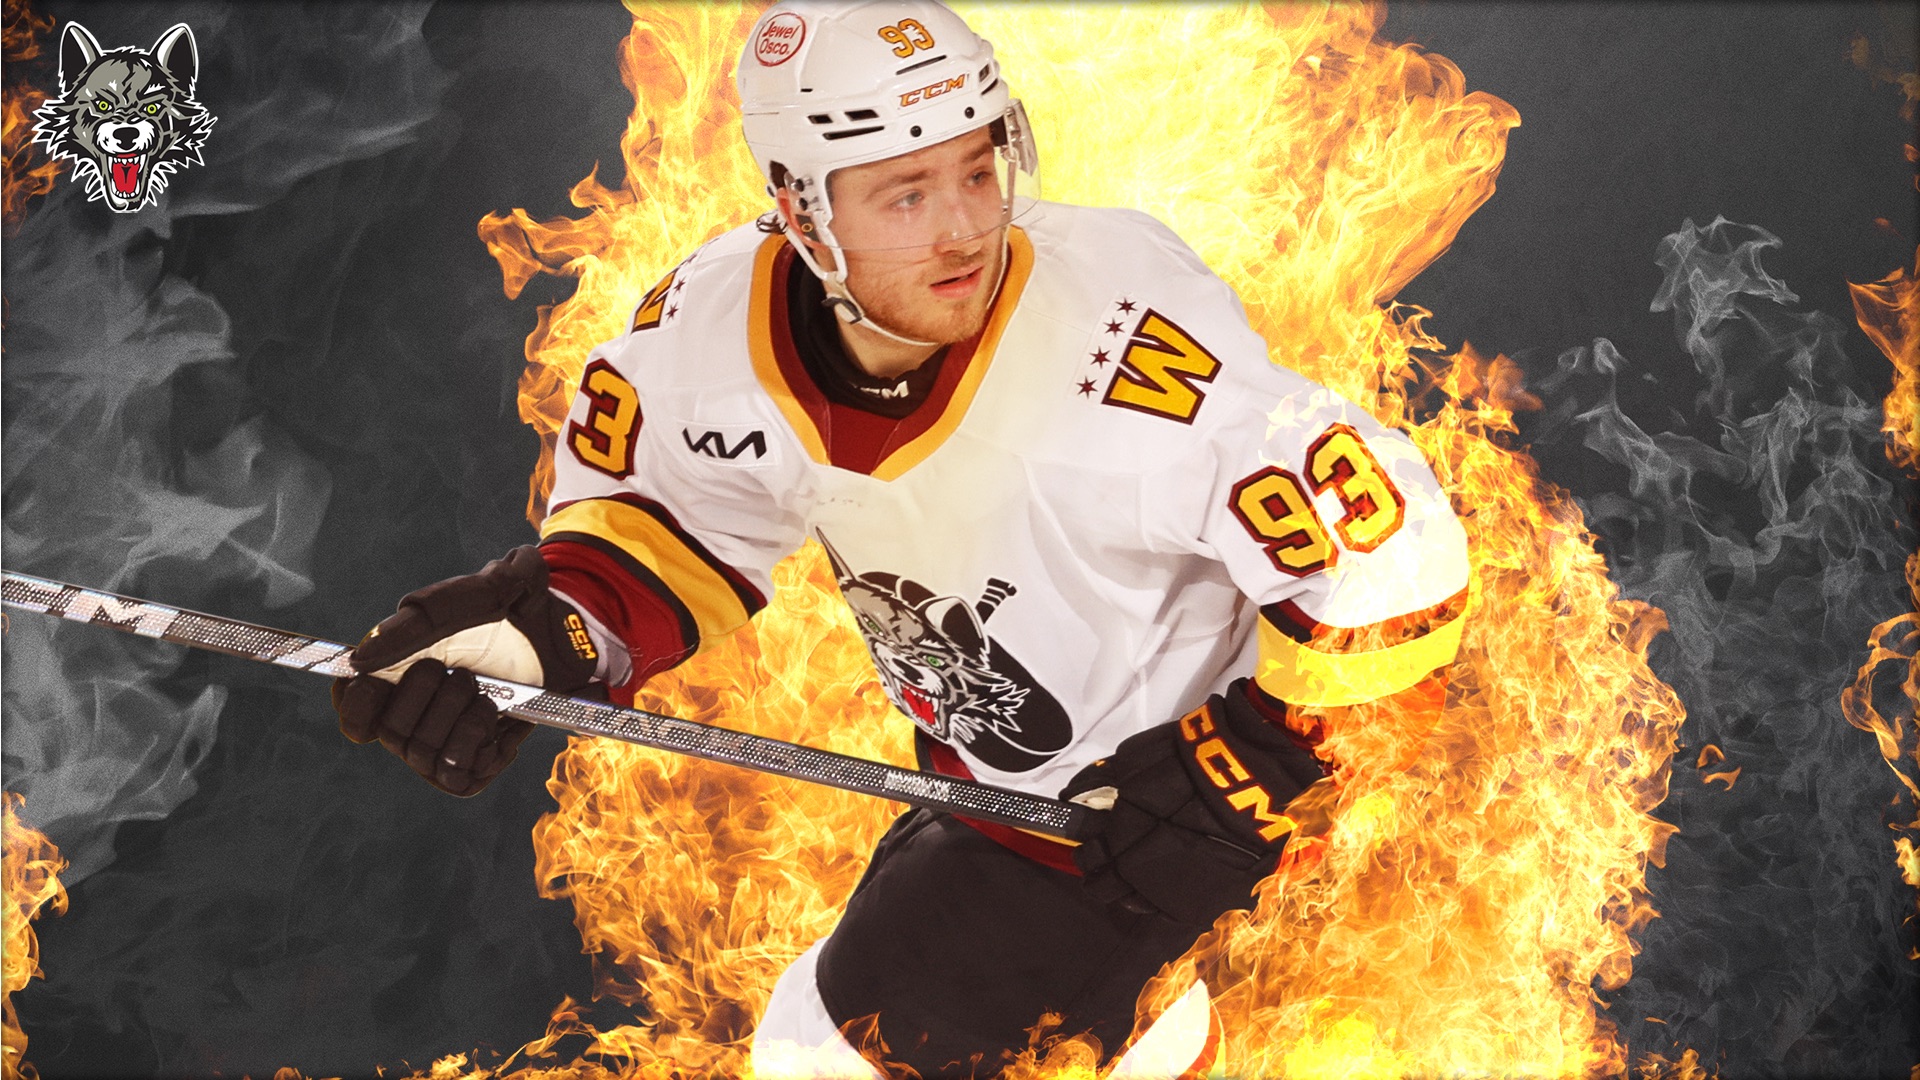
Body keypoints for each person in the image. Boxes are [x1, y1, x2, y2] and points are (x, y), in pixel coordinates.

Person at [331, 2, 1470, 1076]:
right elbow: (663, 533)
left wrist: (1251, 766)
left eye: (979, 170)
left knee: (826, 1060)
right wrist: (536, 647)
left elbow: (1390, 551)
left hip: (1177, 828)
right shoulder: (706, 331)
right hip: (1000, 799)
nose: (967, 227)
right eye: (907, 195)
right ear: (801, 205)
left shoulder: (1122, 340)